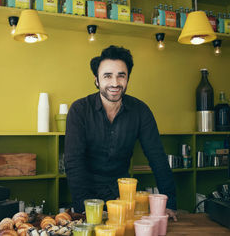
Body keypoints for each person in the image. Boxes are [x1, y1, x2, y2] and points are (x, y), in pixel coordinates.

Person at [64, 45, 177, 220]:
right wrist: (84, 208)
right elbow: (73, 162)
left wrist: (169, 204)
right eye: (107, 76)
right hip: (86, 195)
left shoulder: (141, 111)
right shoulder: (79, 110)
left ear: (128, 79)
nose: (115, 83)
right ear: (97, 80)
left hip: (123, 197)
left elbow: (157, 157)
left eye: (121, 75)